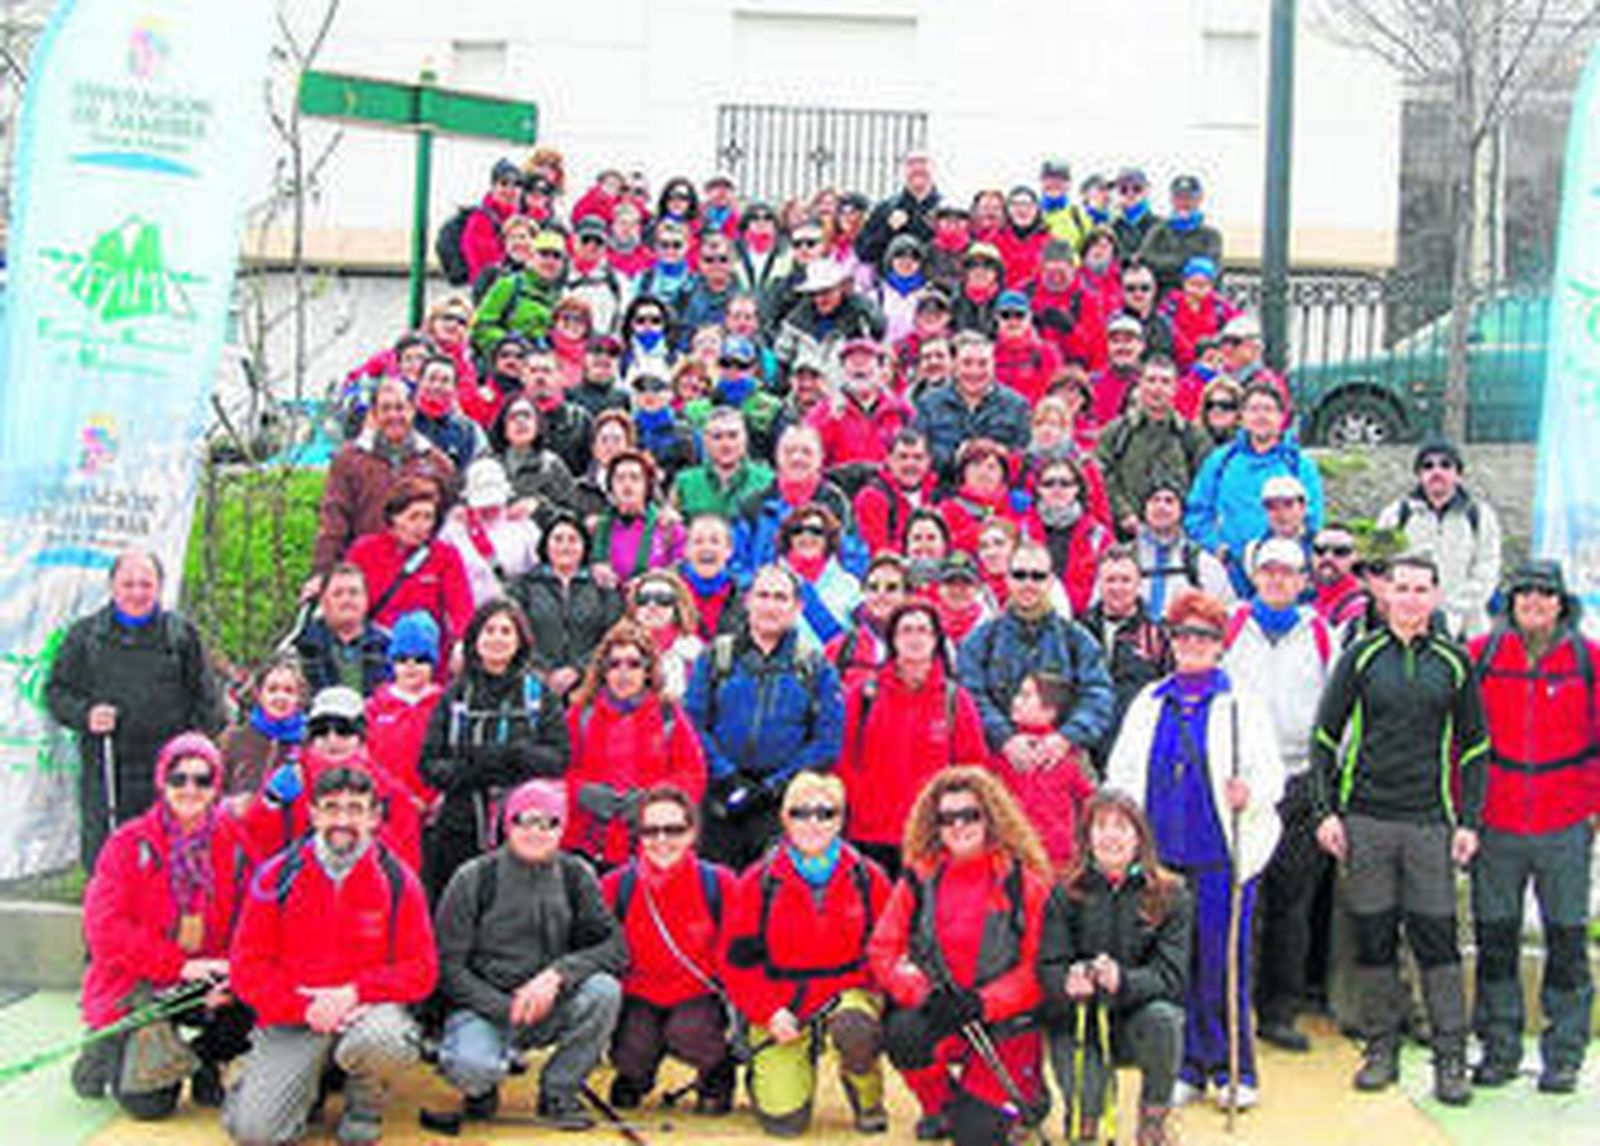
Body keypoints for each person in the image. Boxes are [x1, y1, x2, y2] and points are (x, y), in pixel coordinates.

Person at [1309, 554, 1491, 1104]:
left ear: (1435, 597)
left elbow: (1476, 746)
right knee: (1373, 937)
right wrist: (1326, 813)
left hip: (1429, 823)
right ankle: (1380, 1048)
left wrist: (1470, 822)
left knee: (1437, 942)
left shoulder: (1454, 663)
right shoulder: (1360, 657)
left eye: (1420, 589)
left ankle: (1450, 1058)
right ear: (1385, 596)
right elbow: (1323, 739)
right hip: (1365, 819)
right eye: (1401, 588)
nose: (1410, 599)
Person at [1107, 589, 1285, 1108]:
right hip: (1162, 858)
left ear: (1219, 643)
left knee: (1223, 963)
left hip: (1221, 856)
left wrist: (1249, 792)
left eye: (1203, 636)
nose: (1191, 644)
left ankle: (1235, 1066)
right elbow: (1123, 771)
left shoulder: (1240, 704)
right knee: (1174, 965)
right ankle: (1185, 1064)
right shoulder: (1149, 702)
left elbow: (1271, 772)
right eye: (1183, 634)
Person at [224, 766, 437, 1145]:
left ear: (374, 817)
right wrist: (302, 1005)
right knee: (255, 1134)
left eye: (356, 809)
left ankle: (365, 1102)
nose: (343, 820)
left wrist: (354, 993)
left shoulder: (398, 880)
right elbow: (246, 967)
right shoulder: (277, 877)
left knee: (385, 1040)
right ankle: (291, 1083)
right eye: (332, 808)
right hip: (295, 1014)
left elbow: (422, 969)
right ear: (313, 813)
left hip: (364, 1014)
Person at [1466, 560, 1597, 1094]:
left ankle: (1562, 1054)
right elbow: (1461, 737)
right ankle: (1498, 1048)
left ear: (1562, 602)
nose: (1535, 602)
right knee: (1495, 937)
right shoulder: (1483, 655)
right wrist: (1464, 806)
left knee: (1566, 938)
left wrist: (1592, 802)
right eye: (1525, 594)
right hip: (1496, 820)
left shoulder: (1589, 660)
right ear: (1511, 601)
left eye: (1546, 594)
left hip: (1565, 819)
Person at [871, 766, 1053, 1145]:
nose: (958, 826)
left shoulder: (1024, 882)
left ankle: (1027, 1095)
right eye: (946, 818)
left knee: (977, 1138)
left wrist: (984, 1002)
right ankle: (941, 1106)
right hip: (946, 1014)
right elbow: (883, 949)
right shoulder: (919, 877)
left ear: (991, 816)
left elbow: (1039, 967)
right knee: (903, 1032)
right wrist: (921, 993)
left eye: (970, 815)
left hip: (1006, 1024)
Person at [75, 733, 252, 1119]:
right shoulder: (127, 843)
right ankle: (106, 1046)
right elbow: (105, 930)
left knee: (258, 1002)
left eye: (203, 779)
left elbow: (252, 921)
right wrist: (179, 967)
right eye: (179, 778)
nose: (190, 789)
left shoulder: (236, 843)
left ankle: (206, 1059)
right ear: (162, 781)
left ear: (216, 785)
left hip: (210, 975)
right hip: (141, 981)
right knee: (151, 1106)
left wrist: (229, 974)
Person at [431, 777, 625, 1131]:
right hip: (483, 1006)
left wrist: (557, 976)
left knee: (604, 991)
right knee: (472, 1069)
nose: (536, 831)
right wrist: (503, 1008)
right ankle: (482, 1088)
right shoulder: (474, 878)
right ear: (508, 823)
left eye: (549, 822)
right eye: (524, 819)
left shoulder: (575, 874)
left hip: (548, 1003)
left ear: (562, 828)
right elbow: (447, 966)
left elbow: (614, 947)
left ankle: (559, 1092)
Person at [721, 771, 893, 1136]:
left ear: (841, 819)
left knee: (855, 1031)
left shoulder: (869, 877)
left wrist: (873, 996)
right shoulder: (758, 881)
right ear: (784, 817)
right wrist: (766, 1010)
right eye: (801, 812)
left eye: (825, 813)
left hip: (845, 993)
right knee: (784, 1124)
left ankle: (866, 1092)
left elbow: (888, 948)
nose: (813, 822)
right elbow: (735, 962)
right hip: (782, 1001)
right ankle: (769, 1071)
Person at [1221, 539, 1336, 1052]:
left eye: (1288, 572)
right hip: (1239, 784)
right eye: (1267, 570)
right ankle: (1230, 1007)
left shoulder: (1320, 633)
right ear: (1254, 575)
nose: (1277, 580)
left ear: (1303, 579)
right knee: (1242, 900)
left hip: (1297, 780)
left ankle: (1280, 1011)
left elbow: (1336, 711)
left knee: (1292, 904)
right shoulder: (1229, 626)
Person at [47, 549, 223, 869]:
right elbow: (57, 693)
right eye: (128, 584)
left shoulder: (182, 636)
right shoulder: (85, 636)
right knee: (110, 863)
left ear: (159, 587)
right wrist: (86, 715)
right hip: (108, 769)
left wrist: (194, 748)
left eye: (146, 584)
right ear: (113, 586)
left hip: (170, 771)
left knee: (171, 859)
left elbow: (208, 700)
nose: (137, 592)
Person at [1038, 791, 1191, 1146]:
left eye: (1121, 826)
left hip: (1136, 1014)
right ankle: (1084, 1111)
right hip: (1078, 1018)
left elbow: (1172, 975)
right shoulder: (1063, 892)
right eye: (1101, 826)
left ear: (1139, 836)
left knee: (1165, 1020)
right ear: (1087, 837)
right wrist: (1067, 981)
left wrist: (1123, 980)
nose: (1111, 836)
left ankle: (1153, 1118)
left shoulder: (1171, 894)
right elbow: (1048, 966)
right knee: (1086, 1127)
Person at [684, 565, 846, 868]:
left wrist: (775, 785)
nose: (770, 606)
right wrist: (726, 775)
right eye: (763, 595)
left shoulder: (814, 666)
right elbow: (692, 723)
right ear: (748, 600)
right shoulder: (717, 657)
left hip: (781, 802)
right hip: (720, 796)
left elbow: (827, 741)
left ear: (797, 607)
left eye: (780, 597)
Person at [601, 786, 738, 1115]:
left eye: (673, 830)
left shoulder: (718, 883)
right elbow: (596, 948)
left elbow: (738, 953)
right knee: (635, 1044)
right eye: (650, 831)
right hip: (639, 992)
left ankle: (717, 1071)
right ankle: (636, 1073)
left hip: (697, 994)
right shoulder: (617, 885)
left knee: (688, 1031)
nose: (662, 840)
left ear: (692, 832)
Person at [420, 600, 570, 901]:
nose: (497, 639)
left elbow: (559, 757)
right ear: (475, 640)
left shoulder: (538, 696)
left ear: (519, 641)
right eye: (489, 630)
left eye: (506, 631)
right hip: (462, 823)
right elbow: (428, 763)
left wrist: (516, 756)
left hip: (525, 823)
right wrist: (471, 771)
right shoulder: (456, 696)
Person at [837, 602, 987, 876]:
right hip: (871, 835)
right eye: (906, 630)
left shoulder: (955, 701)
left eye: (923, 630)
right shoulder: (862, 695)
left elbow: (972, 769)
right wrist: (857, 806)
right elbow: (843, 759)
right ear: (893, 639)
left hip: (932, 835)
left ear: (935, 640)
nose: (915, 638)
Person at [562, 621, 706, 868]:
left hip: (651, 845)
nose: (623, 672)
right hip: (588, 844)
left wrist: (654, 800)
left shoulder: (668, 715)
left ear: (648, 670)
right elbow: (556, 772)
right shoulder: (580, 714)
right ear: (602, 670)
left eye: (634, 664)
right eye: (614, 664)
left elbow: (693, 775)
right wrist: (582, 793)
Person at [957, 541, 1114, 764]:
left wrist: (1065, 737)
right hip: (997, 763)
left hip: (1062, 761)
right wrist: (1005, 738)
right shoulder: (980, 641)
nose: (1028, 584)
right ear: (1007, 578)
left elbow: (1098, 694)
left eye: (1037, 576)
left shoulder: (1077, 640)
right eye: (1020, 575)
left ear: (1050, 581)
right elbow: (969, 696)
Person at [311, 377, 458, 578]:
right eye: (386, 409)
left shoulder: (437, 463)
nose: (394, 416)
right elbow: (334, 521)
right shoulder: (348, 461)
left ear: (412, 411)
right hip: (365, 570)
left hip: (422, 573)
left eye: (400, 408)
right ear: (374, 414)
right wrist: (322, 573)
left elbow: (449, 522)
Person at [1184, 382, 1324, 579]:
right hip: (1230, 570)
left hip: (1282, 570)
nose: (1261, 416)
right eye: (1254, 409)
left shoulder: (1299, 464)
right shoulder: (1221, 461)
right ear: (1242, 417)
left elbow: (1313, 518)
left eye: (1268, 409)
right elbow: (1197, 512)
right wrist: (1216, 547)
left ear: (1281, 417)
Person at [1374, 439, 1502, 638]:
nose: (1436, 471)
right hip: (1407, 626)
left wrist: (1448, 606)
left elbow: (1487, 570)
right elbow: (1379, 569)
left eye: (1445, 465)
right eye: (1428, 466)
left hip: (1467, 629)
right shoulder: (1395, 515)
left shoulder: (1480, 516)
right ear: (1419, 475)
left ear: (1458, 474)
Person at [346, 477, 474, 656]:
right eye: (413, 517)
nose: (421, 526)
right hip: (375, 650)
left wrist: (461, 643)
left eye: (428, 517)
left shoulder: (445, 555)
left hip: (427, 653)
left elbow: (461, 608)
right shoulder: (365, 550)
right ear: (394, 517)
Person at [988, 672, 1098, 872]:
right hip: (1013, 857)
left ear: (1049, 711)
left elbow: (1088, 800)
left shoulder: (1068, 758)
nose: (1016, 701)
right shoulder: (1002, 755)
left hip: (1058, 859)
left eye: (1026, 696)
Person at [509, 512, 624, 701]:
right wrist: (543, 672)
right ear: (546, 545)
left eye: (573, 540)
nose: (565, 546)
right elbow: (515, 633)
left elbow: (613, 634)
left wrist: (579, 669)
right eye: (558, 539)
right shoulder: (524, 587)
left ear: (584, 546)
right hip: (535, 684)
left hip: (590, 686)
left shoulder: (602, 587)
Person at [1096, 354, 1212, 538]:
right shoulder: (1116, 433)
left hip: (1180, 535)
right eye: (1151, 380)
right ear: (1140, 385)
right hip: (1125, 536)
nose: (1157, 388)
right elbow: (1101, 475)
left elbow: (1204, 483)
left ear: (1175, 388)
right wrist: (1124, 514)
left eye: (1165, 382)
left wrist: (1179, 516)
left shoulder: (1192, 436)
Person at [1080, 545, 1173, 757]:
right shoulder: (1077, 633)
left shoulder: (1157, 635)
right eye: (1110, 580)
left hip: (1139, 747)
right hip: (1087, 747)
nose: (1117, 587)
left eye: (1125, 580)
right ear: (1099, 584)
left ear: (1139, 584)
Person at [914, 332, 1031, 485]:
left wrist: (1000, 454)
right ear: (954, 365)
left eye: (983, 363)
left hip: (998, 493)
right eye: (967, 363)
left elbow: (1024, 457)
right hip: (946, 491)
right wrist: (959, 455)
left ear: (994, 365)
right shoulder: (929, 403)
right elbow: (921, 454)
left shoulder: (1016, 405)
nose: (974, 371)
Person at [363, 611, 446, 821]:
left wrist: (437, 797)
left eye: (420, 659)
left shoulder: (446, 703)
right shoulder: (375, 707)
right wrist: (399, 797)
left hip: (437, 809)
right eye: (402, 658)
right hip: (387, 808)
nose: (411, 666)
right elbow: (368, 759)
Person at [438, 457, 541, 610]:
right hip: (468, 613)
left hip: (512, 612)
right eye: (483, 505)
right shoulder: (454, 531)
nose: (489, 510)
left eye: (494, 504)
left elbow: (538, 574)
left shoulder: (524, 528)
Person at [1134, 476, 1234, 619]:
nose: (1161, 507)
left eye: (1169, 501)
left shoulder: (1200, 561)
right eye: (1155, 500)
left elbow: (1225, 609)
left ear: (1181, 511)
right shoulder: (1128, 558)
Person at [292, 562, 392, 697]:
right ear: (323, 602)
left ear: (366, 599)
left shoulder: (389, 646)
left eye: (354, 593)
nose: (346, 600)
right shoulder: (301, 648)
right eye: (338, 594)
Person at [219, 654, 308, 803]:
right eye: (272, 690)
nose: (280, 697)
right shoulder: (234, 739)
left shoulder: (308, 741)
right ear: (259, 695)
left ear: (299, 698)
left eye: (289, 691)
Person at [589, 449, 684, 587]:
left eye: (635, 478)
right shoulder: (599, 528)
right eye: (620, 478)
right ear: (611, 487)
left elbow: (681, 570)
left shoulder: (667, 527)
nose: (627, 485)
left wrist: (650, 579)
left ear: (647, 486)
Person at [1033, 455, 1113, 616]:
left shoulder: (1097, 535)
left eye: (1065, 483)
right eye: (1049, 484)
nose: (1057, 489)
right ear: (1038, 489)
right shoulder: (1024, 532)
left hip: (1086, 621)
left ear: (1077, 488)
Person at [777, 503, 862, 652]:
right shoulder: (770, 583)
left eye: (816, 531)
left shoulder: (849, 585)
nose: (806, 536)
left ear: (829, 538)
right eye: (798, 531)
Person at [487, 393, 580, 527]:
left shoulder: (552, 465)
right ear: (503, 427)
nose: (521, 421)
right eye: (513, 417)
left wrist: (538, 508)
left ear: (538, 425)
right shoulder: (488, 466)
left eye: (527, 415)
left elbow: (573, 516)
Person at [826, 553, 911, 692]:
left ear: (907, 594)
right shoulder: (841, 648)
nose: (881, 594)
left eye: (891, 588)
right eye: (873, 587)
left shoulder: (927, 645)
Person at [673, 405, 775, 519]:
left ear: (745, 438)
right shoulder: (685, 483)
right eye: (717, 437)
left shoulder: (767, 480)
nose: (726, 444)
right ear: (705, 441)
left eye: (733, 436)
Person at [624, 569, 707, 704]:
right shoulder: (617, 647)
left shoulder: (695, 651)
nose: (652, 606)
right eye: (643, 599)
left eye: (663, 599)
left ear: (677, 606)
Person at [1136, 174, 1224, 298]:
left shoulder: (1211, 236)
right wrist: (1187, 263)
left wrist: (1166, 269)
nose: (1184, 203)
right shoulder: (1158, 232)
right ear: (1171, 200)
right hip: (1162, 303)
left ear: (1199, 199)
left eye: (1189, 198)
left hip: (1198, 302)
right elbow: (1144, 262)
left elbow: (1210, 272)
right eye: (1179, 197)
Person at [859, 151, 941, 268]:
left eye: (923, 162)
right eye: (911, 164)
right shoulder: (885, 208)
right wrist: (888, 229)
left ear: (933, 169)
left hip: (935, 283)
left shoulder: (947, 210)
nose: (917, 168)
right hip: (890, 283)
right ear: (903, 171)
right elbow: (864, 253)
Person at [678, 513, 748, 641]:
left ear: (729, 550)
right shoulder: (671, 592)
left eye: (715, 541)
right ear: (686, 550)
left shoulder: (744, 595)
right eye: (698, 541)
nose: (706, 547)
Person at [1310, 522, 1372, 635]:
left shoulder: (1362, 608)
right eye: (1320, 550)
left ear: (1355, 557)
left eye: (1340, 551)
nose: (1328, 557)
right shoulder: (1306, 599)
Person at [1111, 167, 1159, 259]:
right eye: (1123, 190)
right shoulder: (1112, 228)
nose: (1130, 194)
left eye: (1137, 189)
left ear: (1147, 191)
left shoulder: (1160, 226)